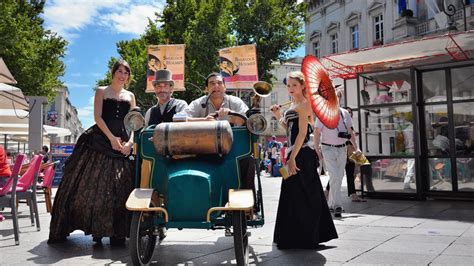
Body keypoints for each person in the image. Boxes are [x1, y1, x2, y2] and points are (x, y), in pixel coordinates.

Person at [48, 60, 136, 245]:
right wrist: (112, 138)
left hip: (123, 144)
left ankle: (118, 232)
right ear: (113, 73)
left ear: (128, 76)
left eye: (126, 73)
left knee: (122, 189)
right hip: (100, 141)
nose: (122, 75)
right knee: (93, 189)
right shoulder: (101, 91)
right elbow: (97, 117)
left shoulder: (130, 96)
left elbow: (133, 122)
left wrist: (130, 142)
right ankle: (97, 230)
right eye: (119, 71)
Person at [271, 71, 337, 249]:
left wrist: (292, 158)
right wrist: (278, 117)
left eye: (294, 85)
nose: (291, 88)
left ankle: (309, 236)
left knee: (307, 194)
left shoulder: (304, 104)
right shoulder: (294, 104)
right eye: (289, 85)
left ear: (302, 86)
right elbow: (289, 129)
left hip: (302, 155)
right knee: (294, 194)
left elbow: (301, 133)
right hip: (295, 152)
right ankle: (295, 236)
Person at [178, 72, 255, 198]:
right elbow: (179, 118)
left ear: (225, 87)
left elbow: (247, 120)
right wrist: (204, 121)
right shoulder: (198, 103)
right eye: (212, 84)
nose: (216, 86)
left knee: (248, 160)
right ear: (206, 89)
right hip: (205, 150)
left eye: (219, 83)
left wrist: (230, 116)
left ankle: (250, 205)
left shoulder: (235, 101)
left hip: (233, 149)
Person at [314, 88, 360, 218]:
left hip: (342, 149)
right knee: (334, 176)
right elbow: (317, 133)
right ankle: (338, 205)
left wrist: (356, 148)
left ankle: (330, 204)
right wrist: (317, 150)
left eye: (337, 97)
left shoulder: (344, 113)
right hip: (327, 148)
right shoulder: (322, 114)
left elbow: (350, 132)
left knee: (338, 178)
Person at [324, 107, 367, 202]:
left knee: (349, 172)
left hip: (350, 151)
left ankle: (352, 194)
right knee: (337, 174)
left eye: (351, 112)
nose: (350, 114)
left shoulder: (349, 123)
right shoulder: (342, 122)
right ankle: (328, 192)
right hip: (344, 151)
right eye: (348, 112)